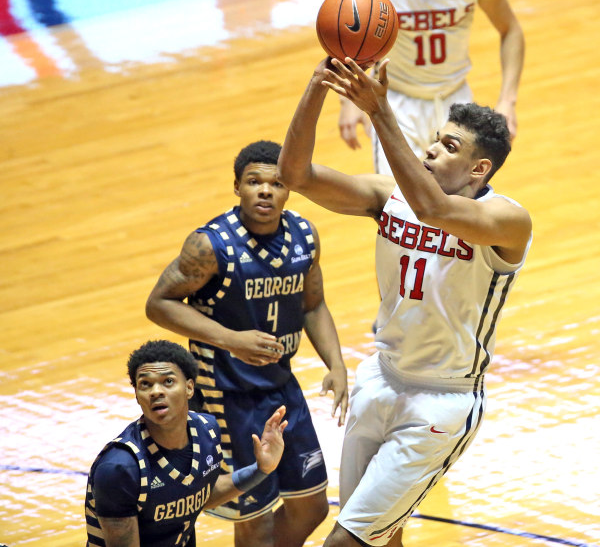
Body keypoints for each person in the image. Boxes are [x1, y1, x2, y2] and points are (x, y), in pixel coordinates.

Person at [277, 57, 532, 546]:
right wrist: (316, 86)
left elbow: (433, 209)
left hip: (442, 402)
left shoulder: (506, 219)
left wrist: (379, 112)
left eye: (449, 146)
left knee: (346, 541)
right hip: (381, 378)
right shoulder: (389, 195)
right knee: (381, 537)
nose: (433, 148)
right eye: (436, 138)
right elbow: (296, 174)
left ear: (480, 168)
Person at [145, 140, 348, 547]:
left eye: (276, 183)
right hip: (226, 396)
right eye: (254, 181)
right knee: (253, 521)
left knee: (312, 506)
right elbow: (158, 304)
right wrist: (230, 339)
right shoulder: (210, 245)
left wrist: (337, 364)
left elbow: (313, 305)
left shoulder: (304, 235)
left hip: (281, 387)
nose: (265, 191)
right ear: (237, 186)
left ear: (289, 188)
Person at [338, 0, 525, 174]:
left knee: (460, 206)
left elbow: (511, 30)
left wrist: (508, 100)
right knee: (396, 204)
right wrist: (348, 100)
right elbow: (345, 38)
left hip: (457, 104)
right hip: (395, 103)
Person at [85, 339, 287, 547]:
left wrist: (262, 469)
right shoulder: (121, 468)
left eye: (168, 382)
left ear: (189, 388)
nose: (156, 392)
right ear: (137, 394)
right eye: (145, 384)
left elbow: (197, 492)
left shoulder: (207, 430)